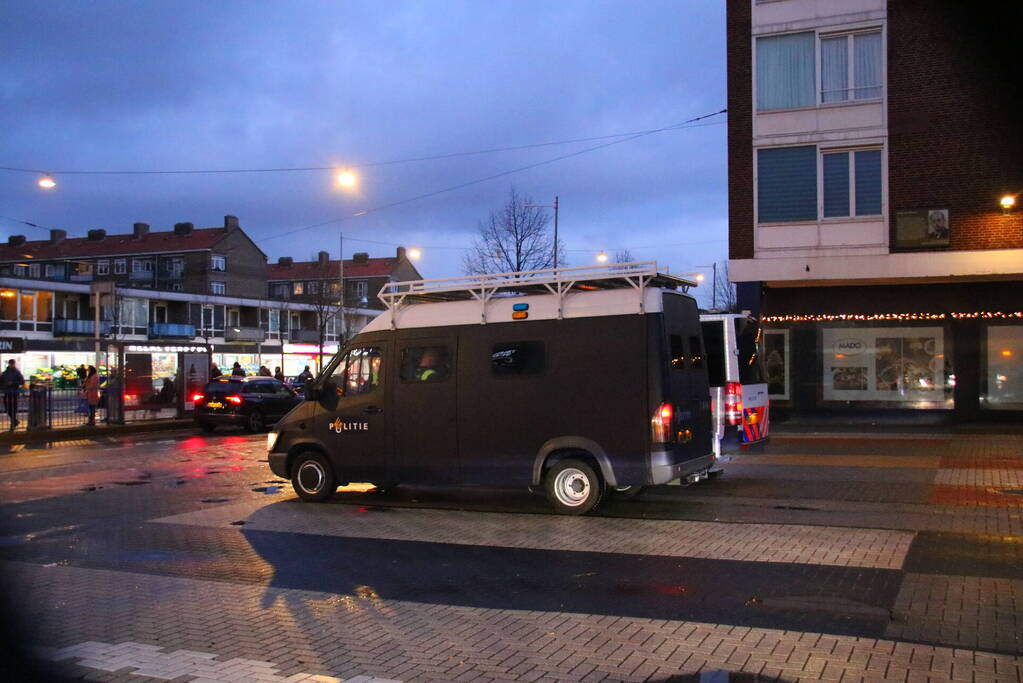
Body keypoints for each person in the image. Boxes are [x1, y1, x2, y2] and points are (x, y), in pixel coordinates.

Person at [1, 359, 24, 431]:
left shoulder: (17, 372)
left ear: (14, 364)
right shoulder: (5, 372)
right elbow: (1, 381)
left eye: (12, 364)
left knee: (13, 408)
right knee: (7, 408)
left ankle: (13, 424)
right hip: (7, 392)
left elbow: (22, 381)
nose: (11, 365)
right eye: (10, 364)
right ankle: (14, 421)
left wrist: (13, 383)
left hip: (14, 392)